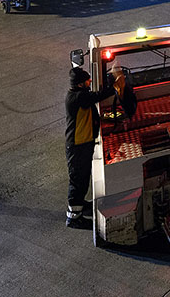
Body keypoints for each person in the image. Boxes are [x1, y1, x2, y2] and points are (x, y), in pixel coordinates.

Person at [63, 65, 118, 229]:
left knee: (83, 177)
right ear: (80, 84)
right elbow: (99, 96)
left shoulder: (79, 94)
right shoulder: (78, 98)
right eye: (88, 80)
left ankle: (80, 204)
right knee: (77, 180)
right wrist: (114, 84)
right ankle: (73, 217)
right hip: (77, 146)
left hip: (83, 144)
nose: (90, 82)